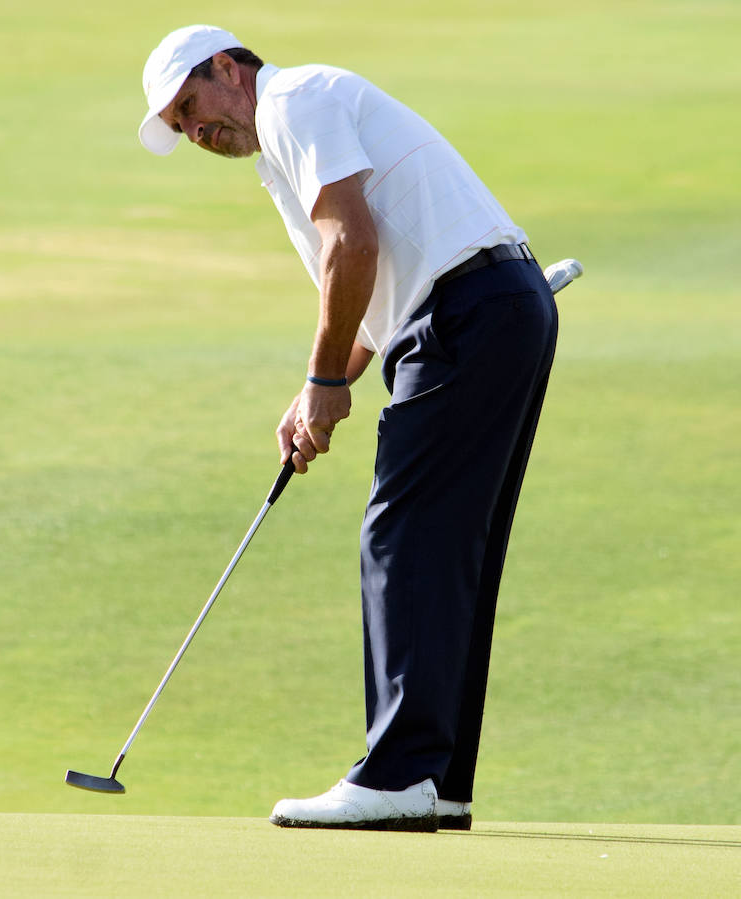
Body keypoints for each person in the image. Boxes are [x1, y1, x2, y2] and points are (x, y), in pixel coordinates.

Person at [137, 25, 559, 831]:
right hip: (493, 306)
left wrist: (324, 380)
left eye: (192, 106)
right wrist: (320, 389)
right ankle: (438, 779)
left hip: (469, 313)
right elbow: (365, 297)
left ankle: (399, 773)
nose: (195, 132)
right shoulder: (285, 145)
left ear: (229, 67)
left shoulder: (296, 99)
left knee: (402, 535)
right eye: (182, 127)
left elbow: (350, 241)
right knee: (449, 546)